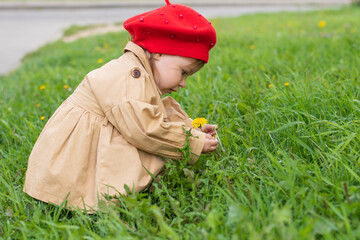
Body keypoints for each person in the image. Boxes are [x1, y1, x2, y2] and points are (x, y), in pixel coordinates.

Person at [23, 0, 218, 212]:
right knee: (147, 139)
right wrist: (193, 143)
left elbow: (154, 115)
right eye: (183, 72)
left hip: (96, 139)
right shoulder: (129, 78)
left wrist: (190, 130)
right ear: (160, 52)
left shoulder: (139, 72)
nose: (183, 83)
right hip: (72, 164)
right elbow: (145, 130)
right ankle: (94, 201)